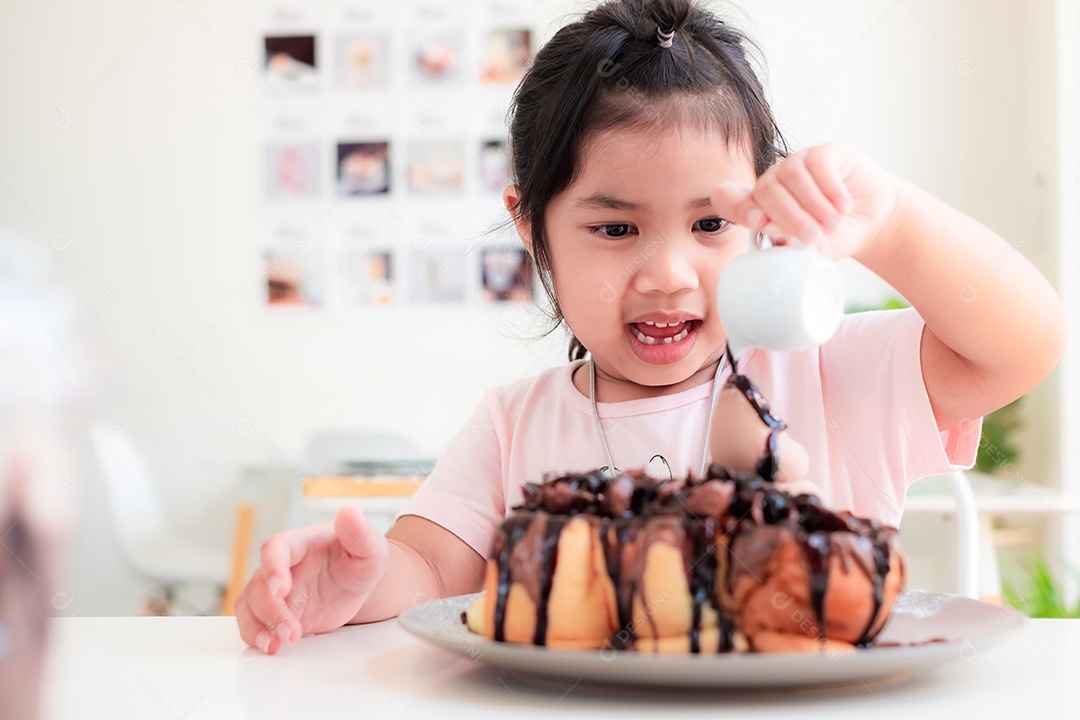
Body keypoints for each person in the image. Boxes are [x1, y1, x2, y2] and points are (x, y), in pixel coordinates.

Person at [234, 0, 1066, 654]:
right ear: (534, 232)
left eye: (711, 226)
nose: (669, 273)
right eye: (616, 228)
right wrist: (359, 583)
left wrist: (888, 226)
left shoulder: (821, 374)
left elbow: (1020, 344)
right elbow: (427, 569)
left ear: (763, 217)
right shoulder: (512, 425)